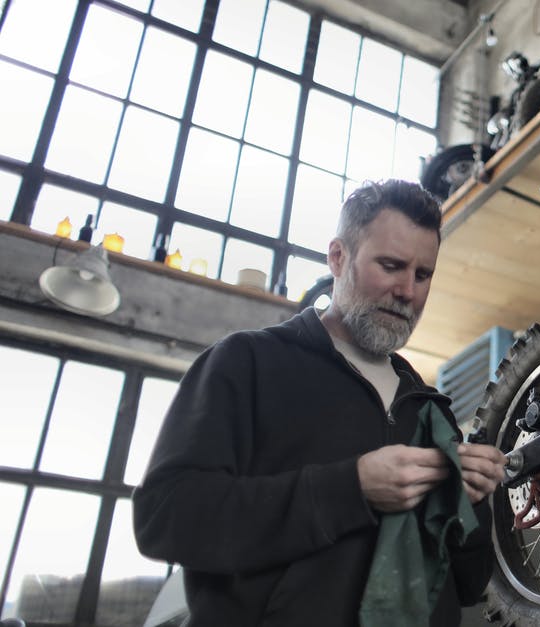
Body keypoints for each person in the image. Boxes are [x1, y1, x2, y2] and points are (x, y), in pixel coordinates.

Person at [133, 179, 508, 626]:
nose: (408, 290)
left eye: (422, 275)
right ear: (338, 257)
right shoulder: (247, 362)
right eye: (390, 266)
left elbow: (468, 584)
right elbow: (164, 516)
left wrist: (471, 503)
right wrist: (351, 489)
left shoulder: (431, 410)